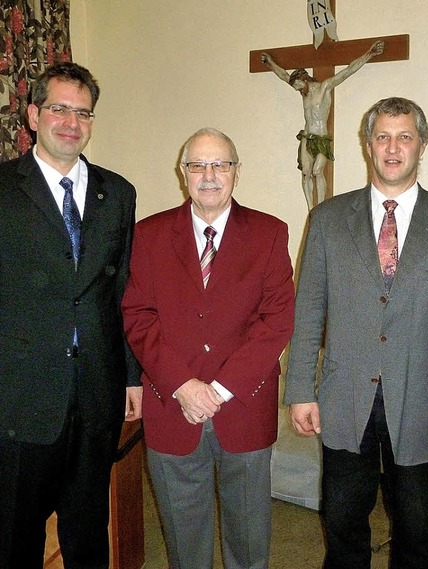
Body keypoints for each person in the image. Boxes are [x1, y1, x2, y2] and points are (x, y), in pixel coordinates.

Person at [284, 97, 428, 568]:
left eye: (404, 137)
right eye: (382, 137)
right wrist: (300, 389)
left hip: (422, 400)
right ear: (367, 145)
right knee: (341, 519)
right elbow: (309, 308)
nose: (392, 148)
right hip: (344, 396)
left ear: (422, 145)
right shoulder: (330, 219)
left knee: (414, 522)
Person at [122, 127, 295, 569]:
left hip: (244, 406)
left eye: (221, 164)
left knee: (249, 533)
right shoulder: (148, 234)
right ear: (183, 174)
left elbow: (276, 321)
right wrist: (182, 384)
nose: (209, 175)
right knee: (184, 535)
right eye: (197, 165)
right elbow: (138, 315)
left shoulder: (270, 233)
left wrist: (218, 389)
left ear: (237, 172)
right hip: (171, 404)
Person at [0, 62, 141, 569]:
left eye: (83, 112)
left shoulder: (118, 193)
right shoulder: (2, 189)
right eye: (59, 108)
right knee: (15, 538)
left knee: (87, 534)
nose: (71, 122)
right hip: (20, 399)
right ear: (34, 115)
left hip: (96, 395)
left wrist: (131, 376)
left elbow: (123, 288)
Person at [261, 40, 384, 210]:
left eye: (298, 85)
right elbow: (283, 75)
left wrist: (369, 54)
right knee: (306, 173)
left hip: (321, 137)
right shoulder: (303, 93)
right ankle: (311, 209)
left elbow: (347, 72)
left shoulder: (324, 87)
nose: (297, 90)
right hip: (307, 136)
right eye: (295, 87)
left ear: (304, 79)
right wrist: (270, 63)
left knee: (317, 172)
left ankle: (320, 207)